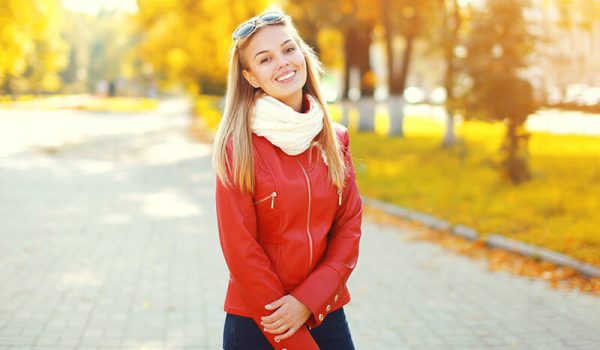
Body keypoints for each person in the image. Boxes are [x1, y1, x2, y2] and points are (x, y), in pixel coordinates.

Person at [212, 10, 363, 350]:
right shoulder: (238, 147)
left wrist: (309, 300)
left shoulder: (335, 138)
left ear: (303, 53)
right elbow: (240, 249)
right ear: (250, 77)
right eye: (265, 59)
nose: (283, 63)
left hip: (325, 310)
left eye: (288, 49)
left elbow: (349, 226)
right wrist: (288, 323)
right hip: (260, 317)